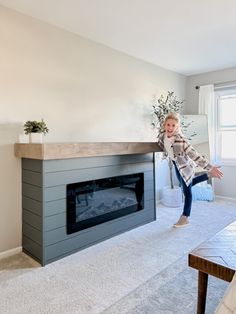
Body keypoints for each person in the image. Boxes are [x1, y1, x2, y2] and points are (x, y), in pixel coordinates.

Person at [157, 112, 223, 228]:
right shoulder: (163, 136)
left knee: (187, 192)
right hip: (176, 164)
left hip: (185, 166)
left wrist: (210, 166)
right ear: (164, 125)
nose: (170, 128)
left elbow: (195, 155)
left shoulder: (181, 140)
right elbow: (161, 144)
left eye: (173, 125)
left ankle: (185, 217)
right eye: (168, 125)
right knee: (186, 185)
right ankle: (207, 175)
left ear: (177, 127)